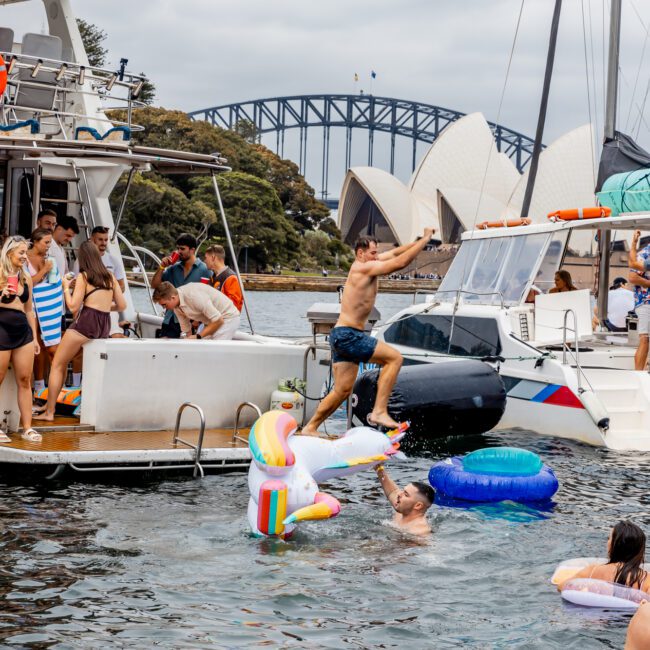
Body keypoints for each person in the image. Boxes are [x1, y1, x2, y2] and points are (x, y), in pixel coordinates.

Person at [301, 230, 435, 436]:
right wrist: (425, 241)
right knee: (394, 359)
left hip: (340, 334)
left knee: (342, 390)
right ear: (360, 253)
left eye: (376, 253)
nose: (376, 256)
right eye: (373, 253)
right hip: (349, 335)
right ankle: (379, 411)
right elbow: (399, 263)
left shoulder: (369, 262)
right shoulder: (362, 268)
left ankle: (310, 427)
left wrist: (414, 242)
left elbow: (395, 253)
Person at [35, 241, 126, 421]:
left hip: (86, 322)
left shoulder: (84, 277)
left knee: (58, 364)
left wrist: (65, 287)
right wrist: (104, 307)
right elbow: (122, 305)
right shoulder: (110, 276)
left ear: (83, 258)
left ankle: (49, 412)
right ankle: (50, 405)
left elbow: (72, 306)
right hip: (103, 324)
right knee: (86, 365)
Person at [0, 236, 41, 442]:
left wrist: (34, 338)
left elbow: (29, 310)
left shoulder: (26, 278)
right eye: (21, 253)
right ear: (9, 254)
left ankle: (27, 428)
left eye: (26, 252)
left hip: (22, 331)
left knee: (25, 380)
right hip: (1, 329)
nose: (25, 257)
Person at [558, 521, 650, 593]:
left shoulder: (592, 571)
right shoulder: (645, 580)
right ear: (640, 550)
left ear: (614, 544)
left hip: (595, 616)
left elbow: (562, 587)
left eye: (609, 538)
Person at [151, 233, 211, 338]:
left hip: (192, 321)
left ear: (192, 250)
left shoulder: (204, 270)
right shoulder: (173, 269)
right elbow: (154, 285)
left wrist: (198, 321)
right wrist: (161, 267)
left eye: (182, 249)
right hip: (170, 320)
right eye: (177, 248)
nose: (178, 252)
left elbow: (208, 297)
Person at [26, 228, 64, 392]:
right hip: (31, 309)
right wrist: (44, 270)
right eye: (46, 242)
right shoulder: (25, 258)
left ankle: (49, 389)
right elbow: (28, 284)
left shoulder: (49, 259)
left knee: (51, 348)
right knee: (36, 346)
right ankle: (38, 386)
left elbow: (53, 282)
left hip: (48, 308)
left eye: (50, 242)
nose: (49, 246)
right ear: (35, 241)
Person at [74, 226, 127, 337]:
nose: (103, 243)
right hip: (87, 306)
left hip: (108, 305)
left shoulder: (114, 261)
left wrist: (106, 295)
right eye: (100, 239)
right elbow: (75, 286)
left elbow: (122, 287)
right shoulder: (80, 261)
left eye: (106, 240)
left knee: (115, 332)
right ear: (92, 240)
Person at [152, 281, 240, 340]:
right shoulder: (176, 305)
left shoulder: (193, 297)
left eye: (164, 305)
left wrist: (198, 336)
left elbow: (219, 320)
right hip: (211, 321)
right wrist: (189, 339)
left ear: (172, 298)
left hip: (227, 317)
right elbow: (186, 329)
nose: (164, 308)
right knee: (200, 348)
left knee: (215, 351)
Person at [374, 464, 433, 536]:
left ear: (418, 505)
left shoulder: (419, 531)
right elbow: (393, 492)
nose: (399, 494)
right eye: (403, 491)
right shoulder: (403, 510)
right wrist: (379, 468)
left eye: (406, 494)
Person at [628, 230, 650, 370]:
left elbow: (633, 263)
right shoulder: (646, 254)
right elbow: (632, 275)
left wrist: (634, 243)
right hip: (646, 302)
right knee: (645, 339)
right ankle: (639, 375)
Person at [204, 244, 243, 312]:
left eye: (206, 258)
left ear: (213, 257)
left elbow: (234, 308)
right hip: (212, 321)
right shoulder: (212, 278)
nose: (204, 261)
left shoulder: (231, 278)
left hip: (226, 321)